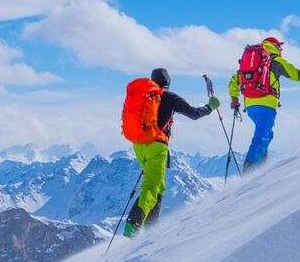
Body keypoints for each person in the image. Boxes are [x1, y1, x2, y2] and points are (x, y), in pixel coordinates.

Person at [123, 68, 220, 238]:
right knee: (152, 186)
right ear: (168, 82)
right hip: (157, 144)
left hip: (138, 144)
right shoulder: (169, 97)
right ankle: (133, 224)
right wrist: (210, 107)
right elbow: (194, 114)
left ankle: (151, 229)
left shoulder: (144, 96)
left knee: (157, 186)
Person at [229, 37, 300, 172]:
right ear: (274, 46)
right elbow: (296, 75)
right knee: (263, 135)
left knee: (266, 134)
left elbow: (233, 81)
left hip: (250, 105)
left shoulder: (252, 62)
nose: (281, 49)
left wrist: (235, 99)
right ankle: (250, 169)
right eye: (279, 46)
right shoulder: (275, 61)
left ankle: (260, 169)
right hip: (266, 104)